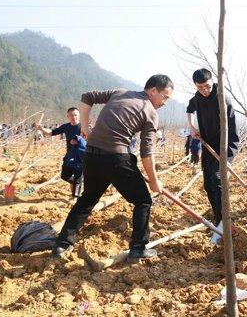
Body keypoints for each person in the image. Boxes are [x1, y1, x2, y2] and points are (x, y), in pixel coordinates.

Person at [52, 74, 173, 261]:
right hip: (116, 158)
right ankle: (138, 249)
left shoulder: (120, 92)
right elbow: (147, 152)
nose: (165, 102)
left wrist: (85, 128)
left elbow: (87, 96)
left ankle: (61, 245)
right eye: (164, 96)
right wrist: (154, 181)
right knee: (143, 201)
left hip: (92, 154)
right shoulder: (150, 112)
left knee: (87, 199)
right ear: (153, 90)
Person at [186, 68, 239, 226]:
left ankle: (224, 220)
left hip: (226, 146)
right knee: (208, 185)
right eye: (200, 87)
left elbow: (231, 129)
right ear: (196, 85)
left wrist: (228, 156)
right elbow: (189, 110)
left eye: (207, 86)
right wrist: (192, 127)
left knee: (217, 179)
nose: (205, 90)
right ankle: (218, 217)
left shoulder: (222, 98)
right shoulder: (197, 98)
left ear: (212, 82)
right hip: (208, 146)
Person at [37, 107, 83, 197]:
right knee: (64, 176)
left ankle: (76, 195)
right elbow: (51, 132)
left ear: (79, 116)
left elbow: (90, 139)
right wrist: (41, 128)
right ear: (68, 117)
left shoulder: (83, 126)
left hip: (80, 158)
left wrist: (79, 140)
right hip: (69, 156)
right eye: (71, 115)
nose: (73, 117)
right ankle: (77, 183)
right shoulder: (66, 127)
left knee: (77, 186)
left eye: (75, 115)